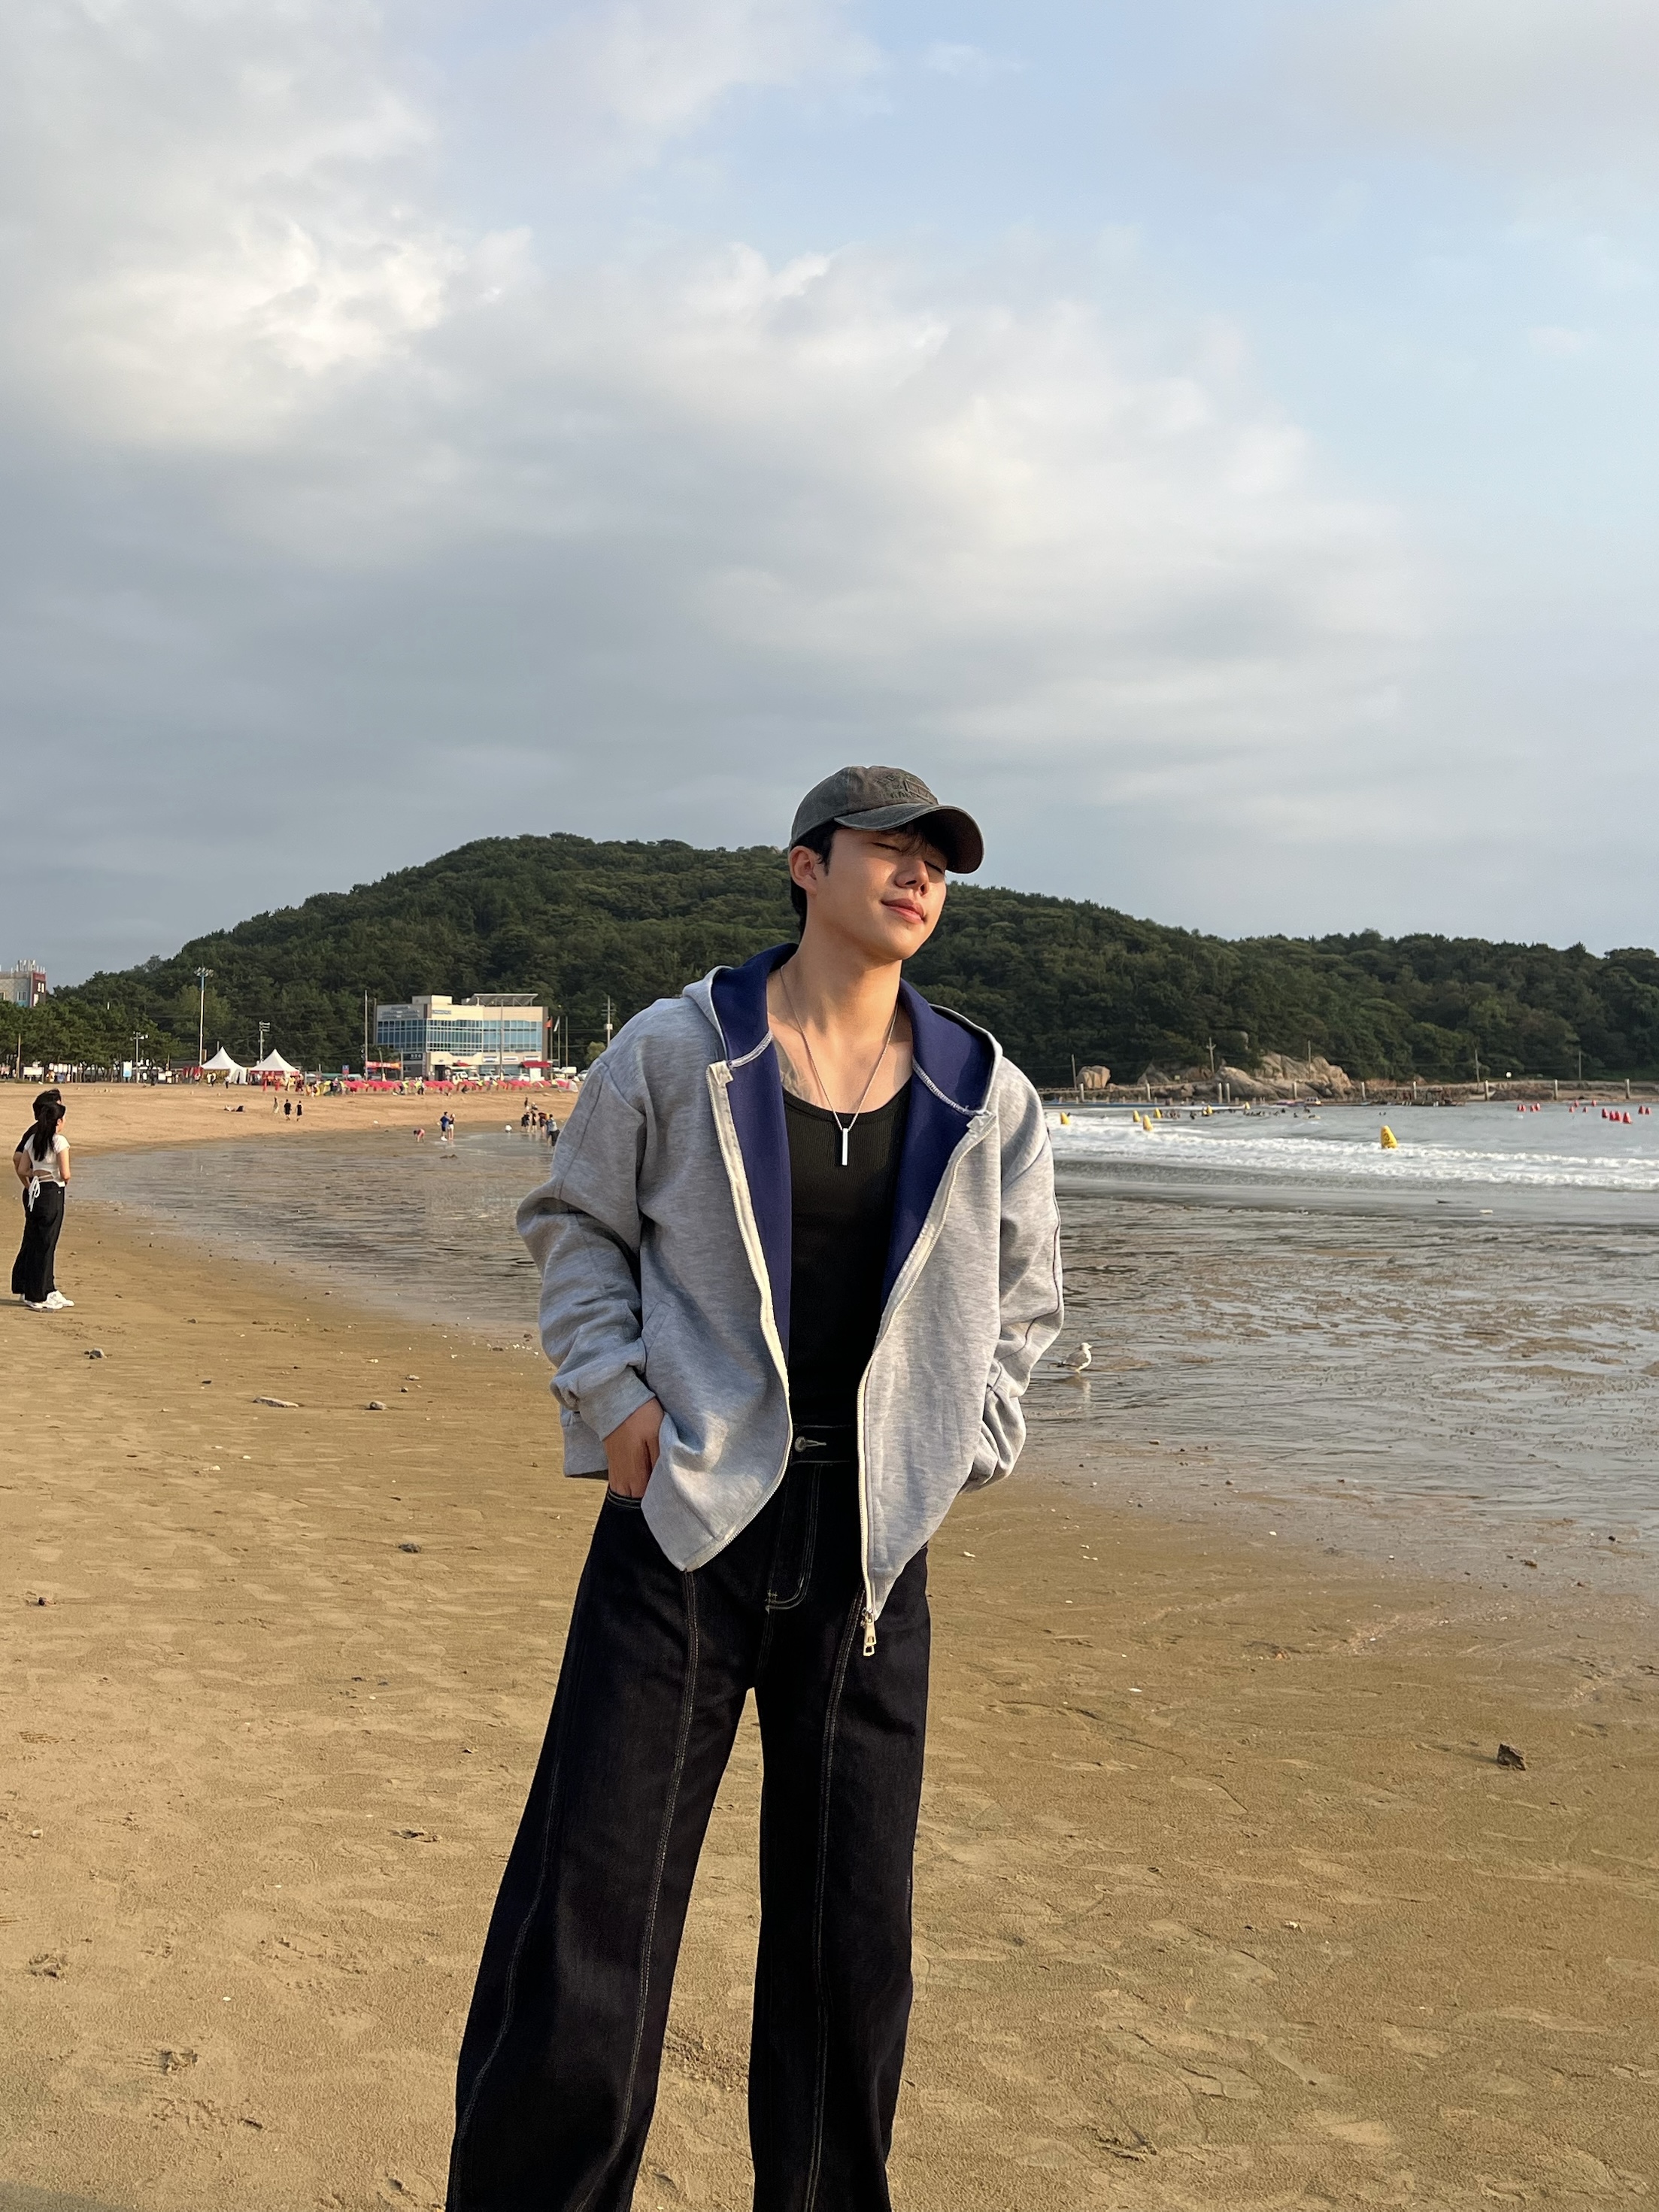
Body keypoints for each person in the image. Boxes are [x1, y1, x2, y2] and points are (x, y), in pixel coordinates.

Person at [447, 766, 1063, 2212]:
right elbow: (575, 1225)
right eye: (887, 848)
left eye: (937, 859)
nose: (917, 874)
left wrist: (964, 1441)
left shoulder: (986, 1091)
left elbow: (1026, 1298)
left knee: (851, 1952)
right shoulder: (681, 1048)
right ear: (805, 865)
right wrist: (617, 1405)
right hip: (685, 1528)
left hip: (871, 1558)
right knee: (591, 1927)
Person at [12, 1093, 74, 1311]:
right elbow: (65, 1174)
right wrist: (51, 1176)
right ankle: (37, 1294)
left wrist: (36, 1174)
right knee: (46, 1243)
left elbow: (22, 1168)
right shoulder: (59, 1141)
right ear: (58, 1121)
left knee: (38, 1241)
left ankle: (45, 1289)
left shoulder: (32, 1139)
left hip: (37, 1191)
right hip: (52, 1191)